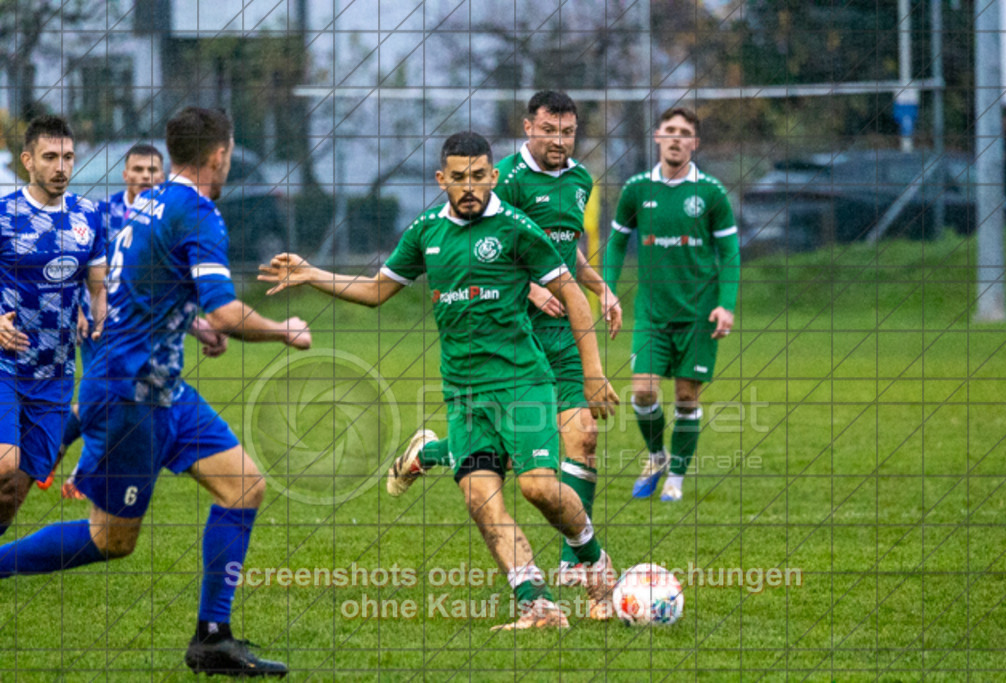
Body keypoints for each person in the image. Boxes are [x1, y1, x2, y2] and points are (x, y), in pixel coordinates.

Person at [259, 131, 620, 630]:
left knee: (538, 487)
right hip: (464, 392)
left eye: (478, 176)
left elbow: (573, 295)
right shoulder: (426, 232)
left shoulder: (517, 228)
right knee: (480, 500)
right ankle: (537, 606)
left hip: (522, 383)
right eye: (458, 178)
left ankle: (593, 556)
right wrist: (313, 274)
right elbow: (378, 289)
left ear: (493, 176)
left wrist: (594, 373)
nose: (468, 186)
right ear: (441, 180)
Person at [0, 107, 311, 677]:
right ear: (221, 154)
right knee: (112, 540)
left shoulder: (151, 202)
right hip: (129, 396)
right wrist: (281, 329)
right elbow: (225, 306)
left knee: (244, 487)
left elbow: (146, 289)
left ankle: (212, 639)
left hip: (162, 385)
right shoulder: (196, 211)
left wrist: (190, 323)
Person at [387, 91, 622, 586]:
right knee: (513, 456)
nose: (559, 140)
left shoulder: (580, 180)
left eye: (567, 132)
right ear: (528, 129)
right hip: (516, 334)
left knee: (584, 437)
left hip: (562, 331)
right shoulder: (505, 180)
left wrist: (600, 288)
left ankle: (574, 562)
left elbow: (561, 250)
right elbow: (499, 247)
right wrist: (531, 289)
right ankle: (431, 454)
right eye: (548, 130)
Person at [604, 106, 740, 502]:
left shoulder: (711, 193)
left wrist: (725, 305)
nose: (676, 137)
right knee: (643, 392)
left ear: (694, 143)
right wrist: (608, 289)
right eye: (669, 130)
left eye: (685, 132)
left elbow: (729, 253)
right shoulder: (636, 190)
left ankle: (676, 481)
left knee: (685, 397)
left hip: (699, 314)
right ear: (658, 137)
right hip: (651, 312)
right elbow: (615, 243)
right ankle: (657, 455)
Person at [42, 143, 174, 499]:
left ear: (164, 175)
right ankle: (82, 470)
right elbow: (72, 263)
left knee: (121, 399)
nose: (146, 176)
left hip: (144, 327)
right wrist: (80, 310)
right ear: (125, 174)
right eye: (139, 170)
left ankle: (60, 447)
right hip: (100, 323)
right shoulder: (103, 212)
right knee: (107, 395)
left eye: (153, 171)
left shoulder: (170, 216)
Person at [0, 115, 107, 534]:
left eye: (67, 157)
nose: (61, 167)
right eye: (49, 157)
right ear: (28, 160)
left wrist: (103, 319)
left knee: (14, 490)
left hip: (56, 373)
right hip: (6, 364)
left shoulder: (89, 217)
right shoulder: (5, 215)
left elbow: (98, 289)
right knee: (5, 464)